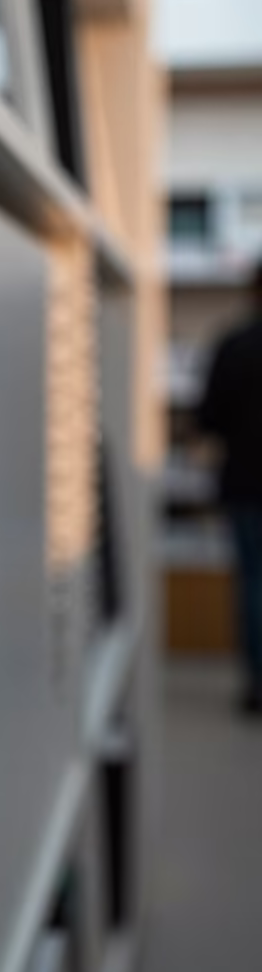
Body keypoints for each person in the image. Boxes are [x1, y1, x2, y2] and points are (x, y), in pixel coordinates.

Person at [199, 262, 262, 713]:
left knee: (253, 583)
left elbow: (209, 417)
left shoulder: (233, 345)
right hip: (244, 483)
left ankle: (257, 683)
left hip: (245, 482)